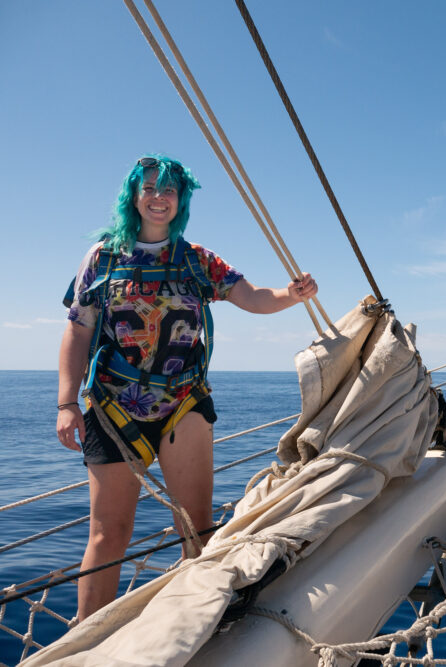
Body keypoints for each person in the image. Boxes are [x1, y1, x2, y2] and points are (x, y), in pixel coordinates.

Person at [56, 155, 317, 621]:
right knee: (109, 533)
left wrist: (290, 296)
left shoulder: (197, 259)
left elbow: (251, 296)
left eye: (170, 190)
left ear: (182, 200)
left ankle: (194, 622)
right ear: (133, 197)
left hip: (183, 402)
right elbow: (77, 330)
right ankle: (85, 636)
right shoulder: (103, 258)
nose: (160, 197)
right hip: (115, 407)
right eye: (150, 188)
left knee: (196, 530)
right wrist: (66, 403)